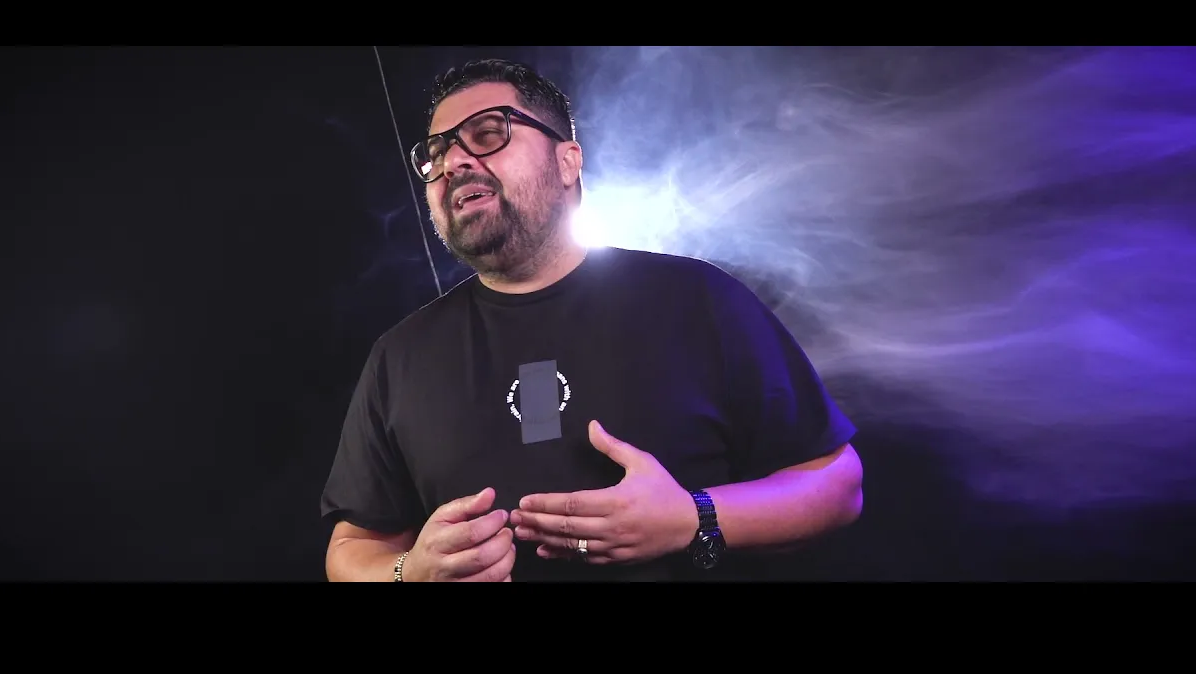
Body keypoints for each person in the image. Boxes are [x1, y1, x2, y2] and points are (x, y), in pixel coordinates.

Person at [320, 58, 863, 582]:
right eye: (437, 154)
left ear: (567, 162)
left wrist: (692, 517)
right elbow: (351, 549)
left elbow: (838, 485)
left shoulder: (698, 299)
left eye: (487, 134)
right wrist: (408, 573)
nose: (454, 163)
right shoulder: (399, 357)